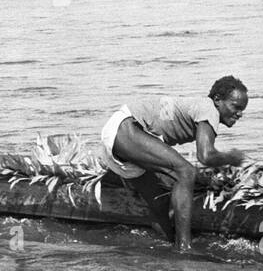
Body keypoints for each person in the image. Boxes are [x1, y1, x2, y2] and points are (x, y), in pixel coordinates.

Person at [99, 76, 249, 253]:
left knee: (160, 202)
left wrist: (206, 181)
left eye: (242, 109)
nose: (239, 113)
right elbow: (205, 156)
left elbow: (174, 163)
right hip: (127, 129)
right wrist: (231, 157)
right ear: (217, 100)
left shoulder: (201, 108)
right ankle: (184, 247)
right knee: (185, 171)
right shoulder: (209, 109)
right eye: (236, 106)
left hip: (120, 135)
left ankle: (168, 243)